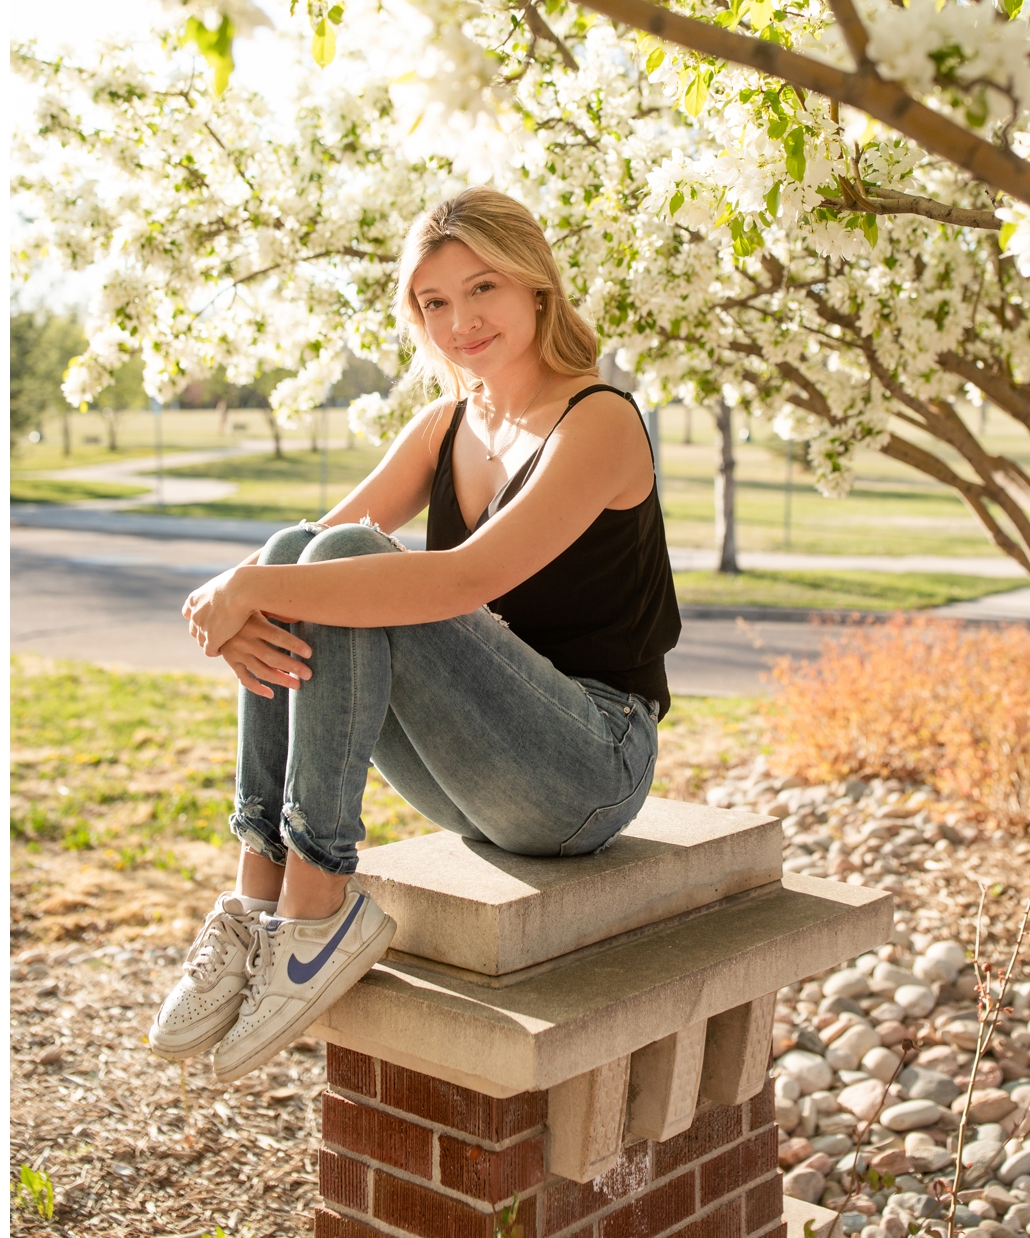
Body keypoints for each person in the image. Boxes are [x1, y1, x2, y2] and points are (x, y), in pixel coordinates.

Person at [153, 188, 680, 1083]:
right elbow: (305, 559)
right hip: (477, 780)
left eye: (482, 290)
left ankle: (317, 911)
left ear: (536, 290)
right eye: (434, 302)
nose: (460, 321)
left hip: (591, 767)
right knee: (304, 551)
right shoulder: (443, 426)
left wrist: (252, 591)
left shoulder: (598, 420)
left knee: (339, 560)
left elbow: (462, 579)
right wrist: (244, 600)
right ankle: (259, 896)